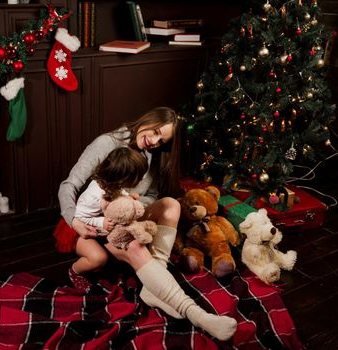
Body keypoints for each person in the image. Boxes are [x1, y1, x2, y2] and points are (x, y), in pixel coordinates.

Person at [55, 106, 237, 341]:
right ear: (148, 120)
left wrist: (135, 205)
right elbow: (67, 186)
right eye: (155, 131)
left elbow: (152, 194)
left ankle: (154, 287)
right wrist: (74, 221)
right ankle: (197, 314)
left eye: (162, 140)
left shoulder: (152, 155)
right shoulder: (107, 143)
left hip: (130, 214)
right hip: (98, 222)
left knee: (172, 205)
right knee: (135, 247)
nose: (154, 141)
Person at [70, 146, 149, 290]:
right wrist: (100, 221)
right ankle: (75, 271)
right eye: (138, 178)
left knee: (128, 243)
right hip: (82, 231)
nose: (140, 181)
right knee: (99, 258)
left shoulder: (114, 185)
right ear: (123, 177)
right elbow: (79, 217)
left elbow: (119, 195)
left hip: (105, 229)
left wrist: (127, 198)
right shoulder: (93, 195)